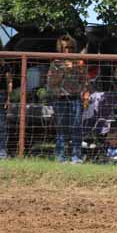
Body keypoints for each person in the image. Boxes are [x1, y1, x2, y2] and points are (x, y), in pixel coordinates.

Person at [47, 34, 88, 164]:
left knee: (76, 127)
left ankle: (76, 156)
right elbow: (50, 83)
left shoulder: (79, 62)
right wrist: (64, 70)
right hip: (61, 98)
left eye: (70, 47)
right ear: (61, 48)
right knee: (61, 128)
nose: (68, 50)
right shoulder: (56, 63)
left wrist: (84, 94)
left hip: (76, 98)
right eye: (65, 48)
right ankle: (60, 156)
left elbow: (85, 80)